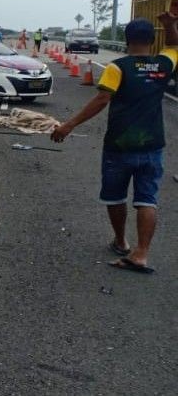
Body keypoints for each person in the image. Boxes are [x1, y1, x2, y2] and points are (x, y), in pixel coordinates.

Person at [51, 15, 178, 275]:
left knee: (115, 196)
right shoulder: (163, 64)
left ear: (126, 40)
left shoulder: (117, 68)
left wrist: (69, 125)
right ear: (152, 41)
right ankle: (141, 253)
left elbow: (101, 100)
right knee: (147, 199)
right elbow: (175, 46)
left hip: (119, 145)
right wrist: (169, 26)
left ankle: (121, 242)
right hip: (153, 145)